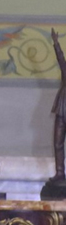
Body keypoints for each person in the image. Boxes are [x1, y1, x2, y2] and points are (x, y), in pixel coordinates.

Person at [50, 28, 66, 182]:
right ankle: (60, 172)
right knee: (58, 143)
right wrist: (56, 43)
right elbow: (61, 58)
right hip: (61, 112)